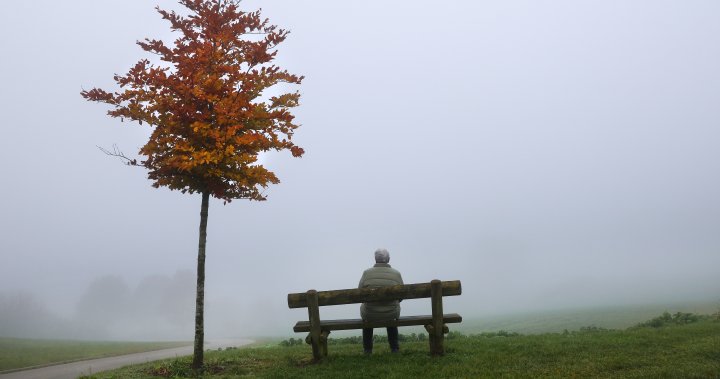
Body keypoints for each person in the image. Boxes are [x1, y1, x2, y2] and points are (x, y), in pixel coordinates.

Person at [358, 248, 404, 354]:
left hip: (370, 313)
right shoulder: (396, 274)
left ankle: (367, 350)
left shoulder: (366, 273)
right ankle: (394, 348)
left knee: (367, 314)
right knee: (391, 314)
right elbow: (401, 296)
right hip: (391, 312)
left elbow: (359, 295)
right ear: (388, 259)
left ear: (375, 259)